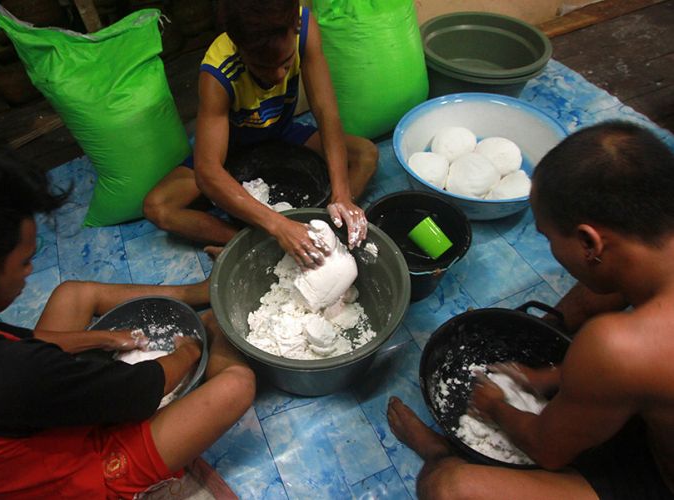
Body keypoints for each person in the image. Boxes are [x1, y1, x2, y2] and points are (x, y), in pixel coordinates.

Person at [0, 141, 256, 498]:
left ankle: (197, 292)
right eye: (24, 262)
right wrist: (189, 350)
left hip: (9, 438)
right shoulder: (7, 374)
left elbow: (28, 342)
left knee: (73, 294)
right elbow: (141, 389)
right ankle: (216, 319)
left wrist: (105, 339)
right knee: (236, 384)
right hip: (66, 481)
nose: (30, 271)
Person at [386, 121, 674, 499]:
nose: (550, 246)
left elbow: (547, 450)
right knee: (600, 289)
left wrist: (495, 406)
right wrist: (546, 377)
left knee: (448, 487)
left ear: (589, 241)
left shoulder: (620, 346)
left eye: (548, 237)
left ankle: (440, 454)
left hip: (660, 479)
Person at [143, 0, 378, 268]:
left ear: (295, 27)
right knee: (158, 206)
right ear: (239, 48)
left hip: (282, 132)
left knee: (365, 155)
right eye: (261, 67)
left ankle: (324, 229)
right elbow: (208, 171)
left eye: (286, 63)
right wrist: (278, 227)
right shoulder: (218, 73)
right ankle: (249, 244)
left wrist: (342, 195)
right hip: (233, 150)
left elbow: (326, 112)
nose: (277, 76)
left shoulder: (303, 28)